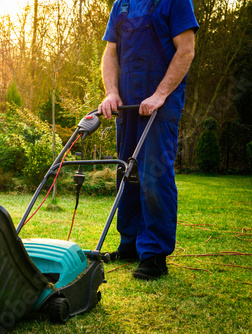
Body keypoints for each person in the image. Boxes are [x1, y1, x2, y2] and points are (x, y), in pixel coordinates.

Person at [98, 0, 199, 280]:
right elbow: (110, 53)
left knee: (154, 175)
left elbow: (186, 50)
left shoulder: (175, 2)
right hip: (127, 102)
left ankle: (154, 254)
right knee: (127, 173)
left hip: (159, 103)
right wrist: (111, 92)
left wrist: (160, 94)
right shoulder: (122, 4)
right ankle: (130, 245)